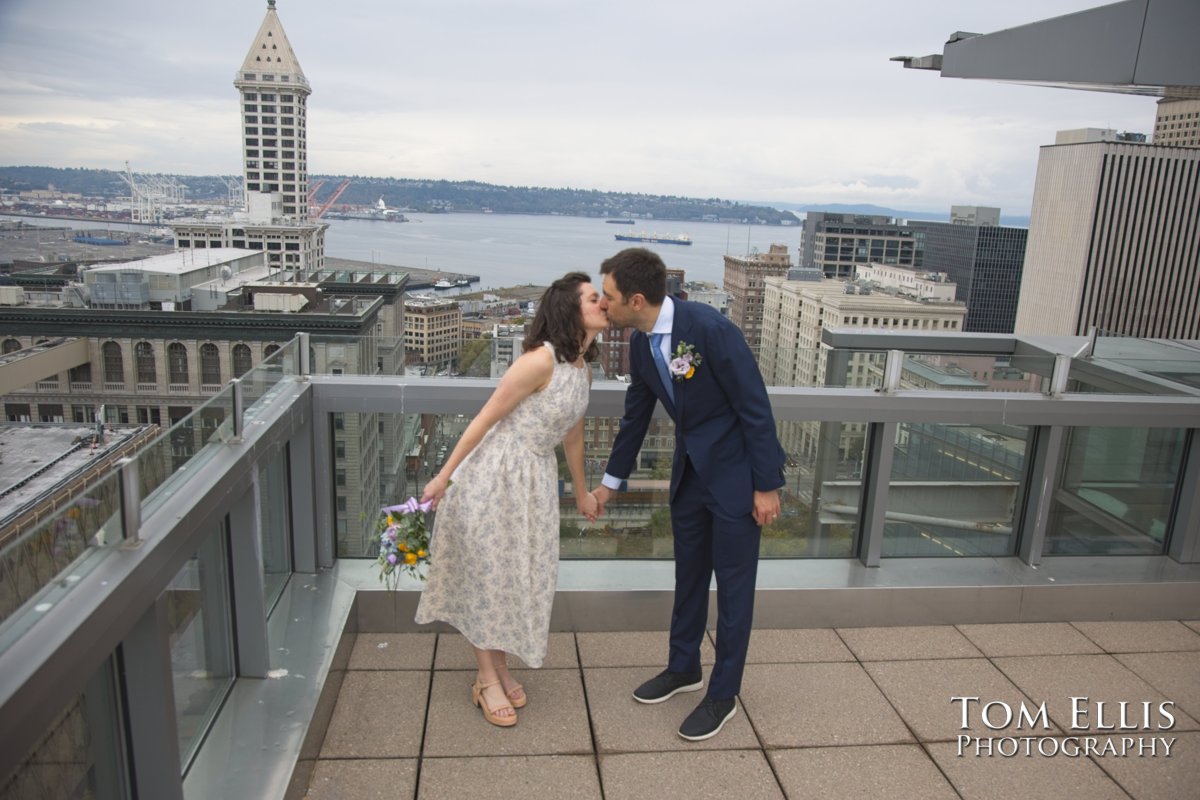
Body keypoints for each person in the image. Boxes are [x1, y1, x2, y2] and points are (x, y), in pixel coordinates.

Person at [591, 247, 785, 741]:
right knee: (690, 578)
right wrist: (611, 482)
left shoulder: (711, 331)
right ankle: (684, 668)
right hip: (690, 478)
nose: (602, 304)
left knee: (735, 592)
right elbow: (636, 415)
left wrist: (766, 486)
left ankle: (723, 695)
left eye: (609, 297)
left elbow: (755, 408)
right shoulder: (640, 344)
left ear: (637, 299)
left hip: (739, 481)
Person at [415, 272, 605, 728]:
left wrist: (581, 491)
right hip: (496, 474)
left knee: (515, 572)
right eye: (594, 298)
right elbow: (485, 417)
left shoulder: (583, 368)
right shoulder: (538, 362)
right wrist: (443, 477)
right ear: (570, 310)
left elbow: (573, 435)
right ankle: (486, 678)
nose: (603, 303)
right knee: (489, 572)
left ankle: (498, 665)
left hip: (534, 479)